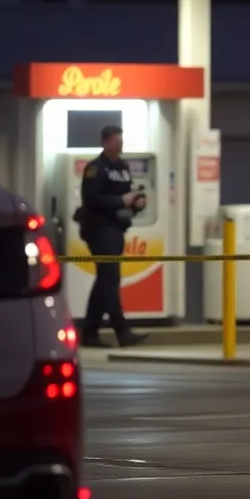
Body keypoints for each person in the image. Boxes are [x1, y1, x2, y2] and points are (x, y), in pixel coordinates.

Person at [78, 126, 148, 348]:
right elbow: (91, 199)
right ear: (105, 143)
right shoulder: (95, 168)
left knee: (105, 279)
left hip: (117, 228)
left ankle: (89, 332)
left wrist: (136, 203)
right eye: (116, 142)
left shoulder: (123, 167)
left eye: (121, 142)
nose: (120, 146)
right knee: (110, 279)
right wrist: (120, 201)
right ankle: (122, 331)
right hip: (99, 228)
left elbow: (127, 193)